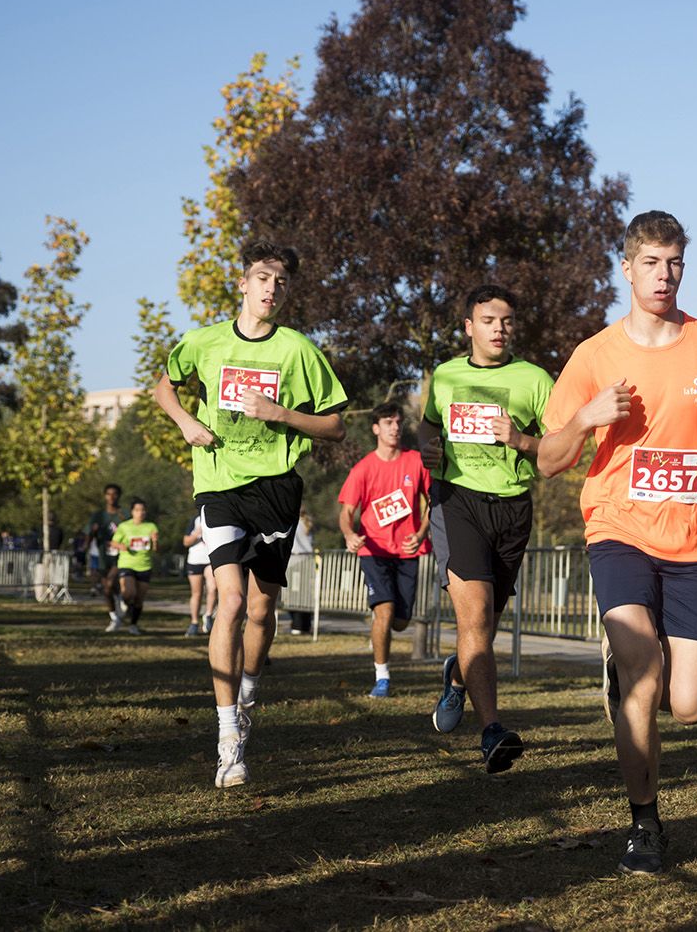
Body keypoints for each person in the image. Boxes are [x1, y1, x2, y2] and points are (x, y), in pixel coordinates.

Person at [539, 211, 697, 875]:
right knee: (642, 671)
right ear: (627, 269)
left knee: (689, 705)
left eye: (674, 263)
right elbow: (548, 459)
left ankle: (632, 682)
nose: (664, 275)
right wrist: (585, 418)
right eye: (652, 263)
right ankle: (645, 823)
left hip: (691, 542)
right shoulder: (594, 354)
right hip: (619, 529)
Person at [154, 240, 348, 788]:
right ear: (242, 283)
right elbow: (164, 388)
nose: (271, 288)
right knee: (232, 602)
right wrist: (185, 422)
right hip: (219, 485)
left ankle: (248, 697)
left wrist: (281, 413)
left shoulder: (298, 351)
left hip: (276, 490)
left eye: (281, 281)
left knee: (262, 612)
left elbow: (335, 426)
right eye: (262, 277)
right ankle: (227, 737)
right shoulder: (204, 342)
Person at [418, 283, 553, 773]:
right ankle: (492, 730)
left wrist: (521, 440)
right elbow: (429, 426)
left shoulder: (535, 380)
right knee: (474, 618)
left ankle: (457, 677)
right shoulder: (446, 375)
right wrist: (427, 447)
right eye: (489, 321)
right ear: (469, 327)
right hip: (458, 501)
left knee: (485, 626)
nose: (499, 329)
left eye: (507, 321)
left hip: (513, 507)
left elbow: (560, 448)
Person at [338, 402, 430, 698]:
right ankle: (382, 678)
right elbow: (347, 511)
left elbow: (433, 502)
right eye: (389, 422)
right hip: (374, 549)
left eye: (398, 422)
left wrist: (421, 533)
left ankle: (380, 627)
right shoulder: (363, 468)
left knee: (400, 622)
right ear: (376, 428)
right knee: (385, 610)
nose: (395, 427)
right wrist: (349, 534)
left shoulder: (415, 461)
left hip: (407, 550)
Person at [108, 498, 159, 634]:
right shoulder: (124, 526)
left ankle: (133, 625)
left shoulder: (151, 526)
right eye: (137, 510)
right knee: (129, 592)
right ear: (132, 512)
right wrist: (121, 546)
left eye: (143, 510)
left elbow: (156, 550)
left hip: (145, 565)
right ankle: (122, 601)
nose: (140, 513)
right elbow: (113, 543)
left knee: (139, 599)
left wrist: (155, 541)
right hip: (127, 564)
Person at [86, 484, 127, 630]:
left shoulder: (124, 515)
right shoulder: (98, 516)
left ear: (119, 496)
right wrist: (92, 533)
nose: (111, 497)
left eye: (114, 494)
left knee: (110, 583)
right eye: (108, 494)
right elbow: (88, 535)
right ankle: (114, 617)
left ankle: (120, 600)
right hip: (102, 555)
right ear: (105, 496)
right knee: (107, 589)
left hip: (120, 556)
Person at [182, 511, 216, 637]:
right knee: (197, 593)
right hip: (195, 560)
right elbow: (186, 542)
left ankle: (208, 615)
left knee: (213, 588)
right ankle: (194, 622)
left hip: (211, 559)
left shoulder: (217, 515)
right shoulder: (195, 519)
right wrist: (197, 533)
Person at [286, 508, 315, 635]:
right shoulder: (307, 523)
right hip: (308, 560)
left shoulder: (293, 523)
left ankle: (297, 625)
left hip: (294, 561)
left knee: (293, 595)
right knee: (305, 595)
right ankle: (305, 625)